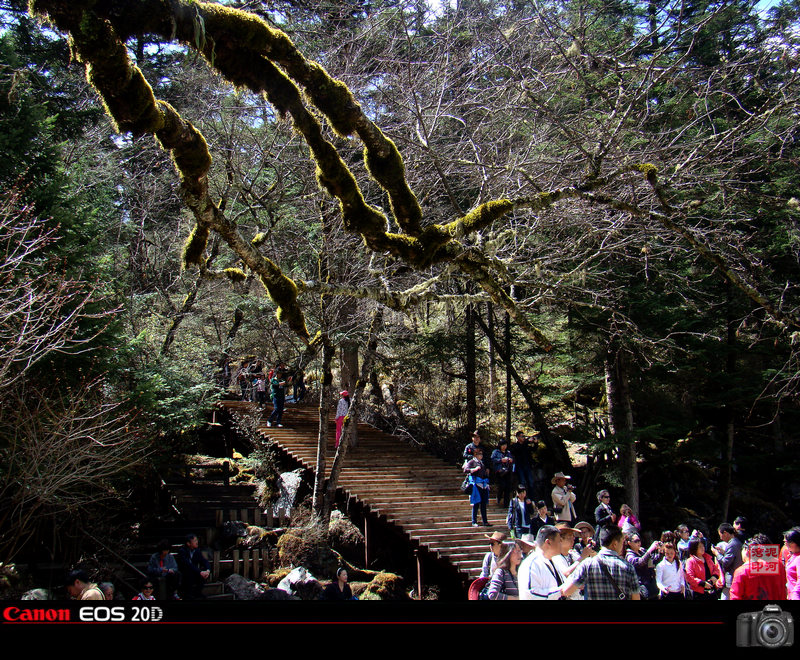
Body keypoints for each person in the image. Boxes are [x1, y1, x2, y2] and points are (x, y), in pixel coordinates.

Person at [562, 525, 641, 600]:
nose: (623, 545)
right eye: (622, 542)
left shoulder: (587, 564)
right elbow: (636, 598)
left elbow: (566, 591)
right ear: (615, 544)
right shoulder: (628, 568)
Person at [730, 534, 788, 601]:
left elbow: (735, 597)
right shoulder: (779, 565)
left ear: (746, 550)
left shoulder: (742, 571)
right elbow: (784, 590)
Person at [519, 525, 565, 600]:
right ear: (548, 542)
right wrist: (560, 592)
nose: (561, 544)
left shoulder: (554, 562)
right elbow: (530, 595)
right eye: (559, 541)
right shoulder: (531, 564)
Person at [711, 522, 743, 600]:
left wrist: (717, 554)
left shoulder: (732, 544)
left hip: (731, 580)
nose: (721, 538)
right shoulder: (736, 542)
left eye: (720, 535)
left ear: (725, 533)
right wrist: (723, 552)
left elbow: (726, 562)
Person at [624, 532, 660, 599]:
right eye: (636, 541)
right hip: (641, 586)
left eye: (639, 540)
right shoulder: (629, 556)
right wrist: (649, 550)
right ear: (629, 543)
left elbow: (653, 561)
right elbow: (640, 562)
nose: (638, 543)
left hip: (651, 584)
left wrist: (660, 552)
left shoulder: (642, 551)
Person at [177, 533, 211, 600]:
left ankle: (198, 593)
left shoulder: (197, 551)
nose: (197, 542)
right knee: (189, 572)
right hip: (184, 573)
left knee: (203, 572)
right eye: (195, 541)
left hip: (195, 572)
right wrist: (200, 572)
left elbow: (204, 561)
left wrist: (208, 570)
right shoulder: (182, 551)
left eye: (197, 540)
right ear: (188, 543)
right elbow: (187, 564)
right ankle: (188, 594)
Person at [464, 448, 490, 527]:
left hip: (483, 484)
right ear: (475, 454)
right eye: (479, 454)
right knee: (476, 503)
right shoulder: (472, 461)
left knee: (483, 503)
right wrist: (474, 470)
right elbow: (466, 469)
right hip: (476, 484)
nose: (481, 456)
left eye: (481, 454)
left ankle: (485, 521)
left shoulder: (482, 463)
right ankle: (474, 521)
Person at [510, 429, 537, 496]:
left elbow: (533, 449)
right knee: (522, 482)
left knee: (531, 482)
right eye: (522, 436)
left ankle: (531, 498)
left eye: (524, 436)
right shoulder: (515, 446)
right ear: (518, 437)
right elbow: (517, 450)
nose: (523, 438)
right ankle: (523, 497)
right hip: (520, 467)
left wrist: (535, 443)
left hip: (527, 466)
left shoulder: (526, 445)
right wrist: (527, 441)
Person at [491, 438, 514, 508]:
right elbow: (492, 459)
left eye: (505, 445)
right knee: (502, 485)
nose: (504, 446)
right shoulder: (496, 452)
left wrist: (510, 460)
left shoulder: (508, 452)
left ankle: (506, 504)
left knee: (508, 487)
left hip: (507, 471)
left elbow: (513, 460)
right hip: (499, 472)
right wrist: (501, 460)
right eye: (502, 445)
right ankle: (499, 497)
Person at [784, 527, 800, 600]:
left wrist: (795, 595)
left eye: (788, 542)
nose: (786, 544)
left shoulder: (799, 558)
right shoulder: (793, 556)